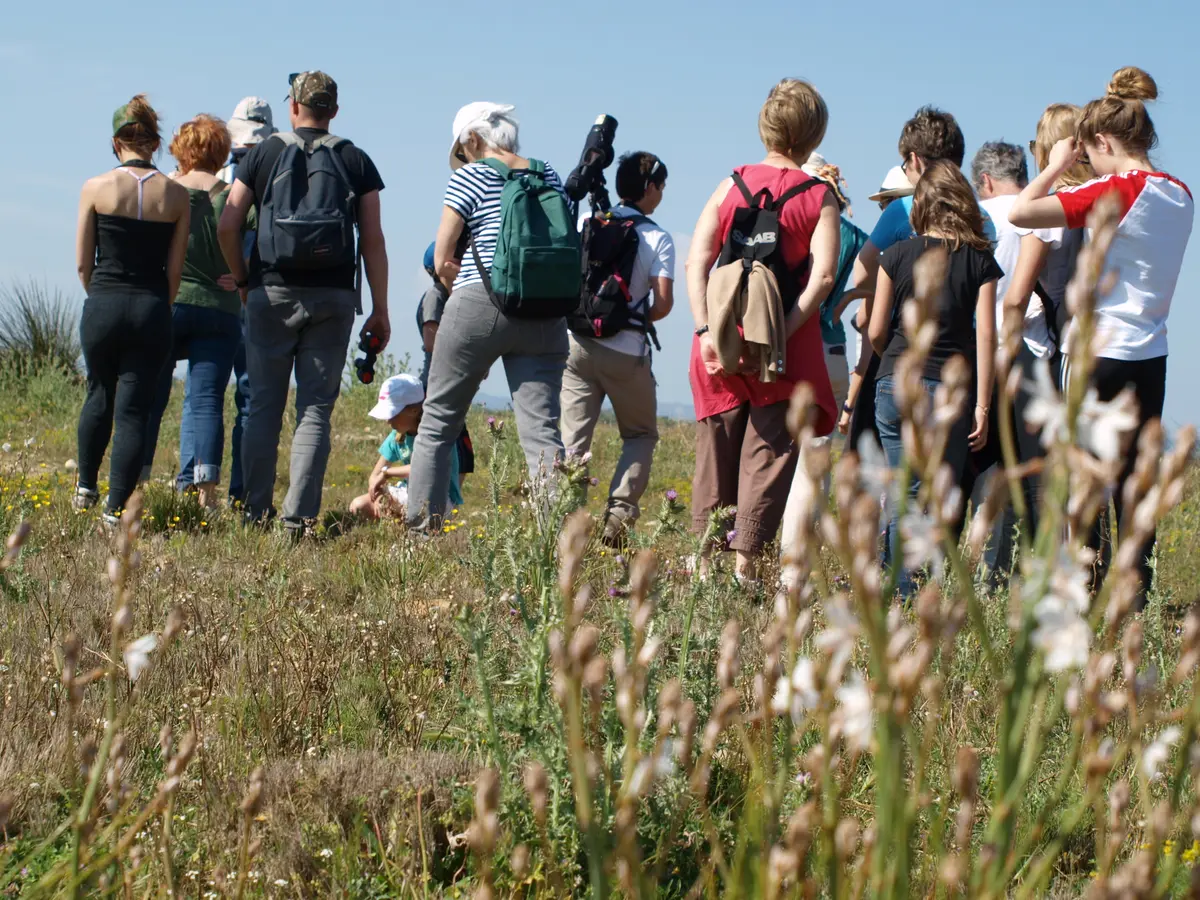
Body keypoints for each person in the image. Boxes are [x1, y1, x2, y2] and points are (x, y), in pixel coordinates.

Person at [1009, 66, 1194, 605]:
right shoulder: (1180, 194)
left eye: (1091, 153)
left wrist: (1056, 164)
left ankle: (1086, 597)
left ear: (1103, 141)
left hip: (1095, 352)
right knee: (1137, 480)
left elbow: (1022, 212)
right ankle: (1135, 597)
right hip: (1151, 352)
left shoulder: (1116, 190)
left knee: (1085, 482)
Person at [218, 71, 390, 534]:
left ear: (293, 107)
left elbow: (228, 224)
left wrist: (242, 279)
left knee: (263, 409)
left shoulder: (263, 154)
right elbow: (372, 240)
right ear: (333, 110)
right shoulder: (355, 160)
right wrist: (380, 307)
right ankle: (297, 523)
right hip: (333, 299)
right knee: (315, 412)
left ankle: (255, 514)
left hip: (269, 294)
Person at [686, 79, 839, 582]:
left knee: (717, 451)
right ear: (814, 133)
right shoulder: (820, 197)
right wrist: (784, 330)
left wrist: (706, 329)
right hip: (783, 350)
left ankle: (703, 565)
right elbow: (823, 278)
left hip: (721, 340)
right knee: (768, 454)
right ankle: (746, 568)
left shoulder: (732, 184)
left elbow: (699, 258)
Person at [406, 102, 570, 533]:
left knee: (438, 421)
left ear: (472, 140)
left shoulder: (470, 175)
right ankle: (554, 547)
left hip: (480, 302)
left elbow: (442, 259)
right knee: (542, 435)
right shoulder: (548, 174)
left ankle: (421, 536)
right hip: (545, 312)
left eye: (462, 150)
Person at [868, 161, 1002, 598]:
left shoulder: (896, 255)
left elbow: (874, 329)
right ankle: (921, 593)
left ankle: (897, 592)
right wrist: (983, 404)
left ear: (920, 205)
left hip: (894, 380)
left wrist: (887, 361)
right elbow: (987, 335)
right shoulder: (980, 259)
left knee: (902, 489)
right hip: (949, 391)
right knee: (939, 495)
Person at [839, 107, 991, 450]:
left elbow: (863, 269)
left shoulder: (901, 211)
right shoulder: (980, 219)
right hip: (958, 364)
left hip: (899, 356)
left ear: (915, 160)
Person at [74, 95, 190, 524]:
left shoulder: (95, 188)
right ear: (155, 143)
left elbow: (84, 262)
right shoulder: (177, 196)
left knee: (99, 395)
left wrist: (100, 295)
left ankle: (85, 487)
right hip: (151, 305)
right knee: (134, 411)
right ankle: (114, 510)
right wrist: (158, 304)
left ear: (115, 142)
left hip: (103, 300)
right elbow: (174, 272)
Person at [560, 151, 675, 545]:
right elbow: (662, 304)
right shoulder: (657, 237)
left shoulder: (587, 221)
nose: (662, 192)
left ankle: (566, 522)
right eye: (660, 185)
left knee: (574, 440)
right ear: (649, 189)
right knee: (640, 434)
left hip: (577, 345)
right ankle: (618, 519)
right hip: (626, 352)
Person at [141, 115, 243, 509]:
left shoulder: (166, 192)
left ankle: (138, 482)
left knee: (151, 394)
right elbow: (248, 244)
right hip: (220, 310)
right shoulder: (232, 195)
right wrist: (240, 276)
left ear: (181, 151)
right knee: (206, 400)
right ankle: (205, 494)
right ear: (221, 153)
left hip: (168, 303)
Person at [780, 155, 866, 559]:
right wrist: (846, 301)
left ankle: (779, 549)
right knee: (817, 461)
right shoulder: (857, 236)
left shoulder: (801, 225)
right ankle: (803, 552)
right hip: (835, 348)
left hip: (800, 343)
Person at [965, 141, 1029, 580]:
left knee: (982, 471)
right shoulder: (1043, 209)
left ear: (984, 181)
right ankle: (1006, 572)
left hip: (985, 351)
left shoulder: (982, 220)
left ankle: (982, 574)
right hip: (1036, 354)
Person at [218, 97, 276, 505]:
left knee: (203, 395)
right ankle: (243, 492)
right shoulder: (281, 173)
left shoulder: (217, 175)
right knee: (250, 397)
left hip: (219, 295)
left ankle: (198, 486)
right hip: (257, 295)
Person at [349, 374, 462, 520]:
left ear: (414, 410)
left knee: (391, 507)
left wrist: (387, 474)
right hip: (407, 492)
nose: (388, 421)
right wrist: (375, 488)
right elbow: (376, 473)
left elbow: (422, 468)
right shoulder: (397, 434)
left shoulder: (435, 436)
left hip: (439, 498)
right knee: (358, 505)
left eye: (393, 414)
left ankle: (411, 537)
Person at [415, 241, 475, 489]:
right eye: (456, 257)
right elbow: (431, 341)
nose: (460, 262)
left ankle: (448, 500)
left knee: (463, 454)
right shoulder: (435, 296)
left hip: (450, 380)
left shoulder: (451, 297)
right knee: (452, 447)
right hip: (435, 382)